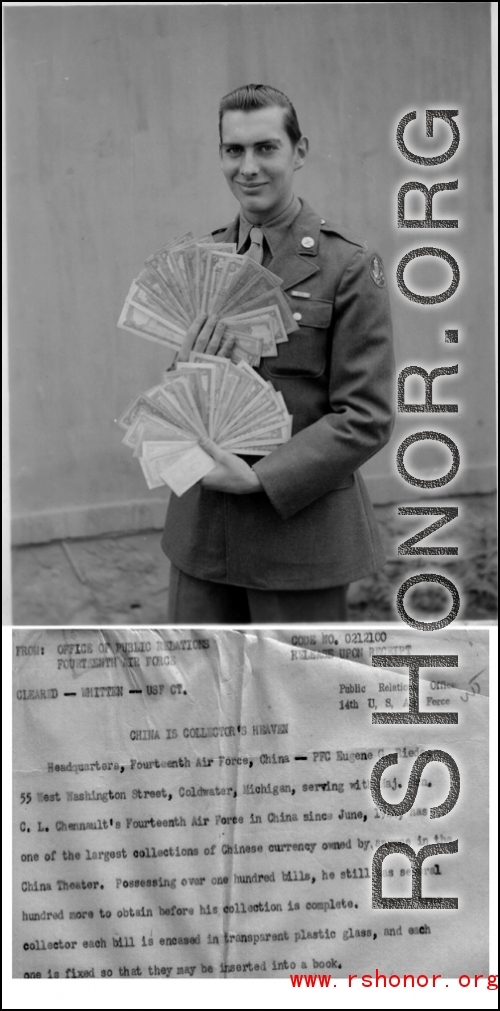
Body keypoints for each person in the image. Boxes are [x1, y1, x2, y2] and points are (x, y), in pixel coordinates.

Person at [161, 84, 395, 622]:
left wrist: (261, 478)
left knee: (296, 701)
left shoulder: (349, 266)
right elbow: (187, 397)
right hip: (202, 536)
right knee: (199, 696)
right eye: (233, 150)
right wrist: (187, 372)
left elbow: (366, 416)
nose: (248, 167)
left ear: (299, 151)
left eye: (266, 148)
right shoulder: (206, 256)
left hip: (299, 542)